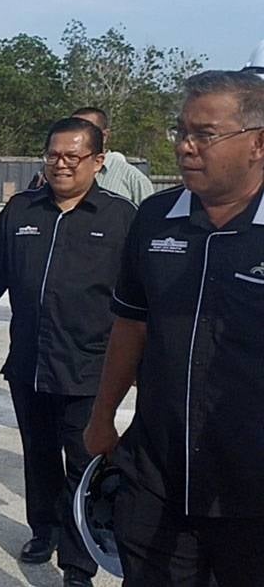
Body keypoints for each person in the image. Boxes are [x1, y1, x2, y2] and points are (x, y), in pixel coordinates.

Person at [85, 70, 264, 586]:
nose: (186, 147)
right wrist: (102, 417)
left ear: (257, 143)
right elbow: (130, 326)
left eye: (204, 134)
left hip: (252, 488)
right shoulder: (155, 218)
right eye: (181, 131)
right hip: (156, 475)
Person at [0, 117, 136, 587]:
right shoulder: (22, 211)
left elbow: (142, 296)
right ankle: (44, 530)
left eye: (72, 157)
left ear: (97, 162)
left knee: (83, 466)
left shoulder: (120, 219)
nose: (60, 165)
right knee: (37, 455)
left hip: (89, 369)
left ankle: (78, 566)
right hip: (29, 364)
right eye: (53, 155)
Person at [72, 107, 154, 204]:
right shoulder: (59, 176)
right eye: (73, 132)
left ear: (105, 136)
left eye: (87, 133)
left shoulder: (134, 180)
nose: (78, 138)